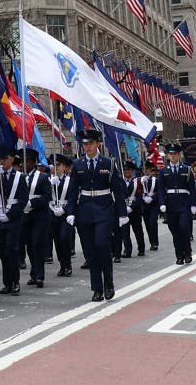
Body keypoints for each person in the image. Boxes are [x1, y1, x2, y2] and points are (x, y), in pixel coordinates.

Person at [65, 128, 126, 302]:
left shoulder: (108, 163)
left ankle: (108, 283)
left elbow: (117, 190)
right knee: (90, 252)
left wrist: (122, 213)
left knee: (102, 245)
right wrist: (70, 212)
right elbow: (72, 191)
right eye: (84, 144)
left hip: (104, 209)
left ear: (98, 143)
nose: (87, 147)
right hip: (84, 211)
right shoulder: (77, 164)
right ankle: (97, 288)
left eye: (90, 143)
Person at [156, 143, 196, 264]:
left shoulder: (187, 169)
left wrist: (194, 204)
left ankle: (188, 253)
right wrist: (162, 203)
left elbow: (191, 188)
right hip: (170, 204)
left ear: (179, 155)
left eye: (175, 154)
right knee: (175, 231)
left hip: (184, 203)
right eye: (171, 154)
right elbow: (160, 189)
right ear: (168, 156)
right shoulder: (163, 171)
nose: (173, 156)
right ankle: (179, 255)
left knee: (184, 228)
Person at [0, 149, 28, 296]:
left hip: (13, 219)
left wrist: (10, 215)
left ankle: (15, 282)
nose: (2, 162)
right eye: (1, 159)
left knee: (11, 250)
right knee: (2, 252)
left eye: (5, 159)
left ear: (12, 159)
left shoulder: (19, 177)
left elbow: (23, 200)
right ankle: (7, 283)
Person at [21, 148, 51, 288]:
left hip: (39, 216)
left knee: (36, 244)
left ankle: (40, 275)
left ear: (34, 162)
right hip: (25, 217)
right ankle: (34, 272)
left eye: (27, 161)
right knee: (29, 246)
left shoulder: (43, 177)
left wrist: (31, 202)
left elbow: (47, 197)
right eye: (23, 161)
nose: (24, 164)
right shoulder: (19, 177)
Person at [48, 153, 75, 276]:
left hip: (66, 214)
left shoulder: (70, 180)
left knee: (64, 238)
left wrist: (64, 210)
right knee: (57, 241)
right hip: (52, 212)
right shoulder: (49, 180)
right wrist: (50, 185)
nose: (56, 167)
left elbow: (73, 198)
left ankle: (68, 264)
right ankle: (62, 265)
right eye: (54, 165)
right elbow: (45, 196)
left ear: (64, 166)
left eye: (58, 165)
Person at [120, 161, 146, 257]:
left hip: (135, 210)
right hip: (123, 209)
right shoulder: (119, 181)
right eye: (125, 170)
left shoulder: (137, 181)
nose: (127, 172)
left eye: (129, 170)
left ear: (132, 171)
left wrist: (131, 207)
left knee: (138, 230)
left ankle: (141, 249)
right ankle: (127, 250)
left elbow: (139, 197)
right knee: (125, 231)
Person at [140, 162, 160, 251]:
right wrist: (143, 198)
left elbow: (159, 192)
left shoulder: (156, 180)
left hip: (153, 205)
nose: (147, 171)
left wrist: (152, 198)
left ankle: (155, 243)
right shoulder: (139, 180)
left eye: (148, 169)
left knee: (152, 223)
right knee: (147, 224)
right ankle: (152, 242)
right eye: (145, 169)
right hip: (144, 205)